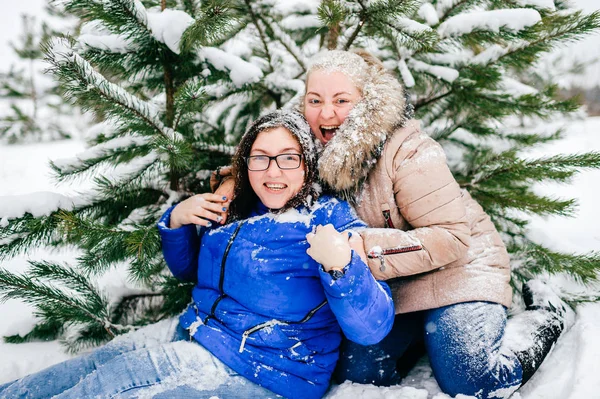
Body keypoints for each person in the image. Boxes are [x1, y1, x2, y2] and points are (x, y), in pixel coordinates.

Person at [214, 50, 573, 399]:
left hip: (458, 269)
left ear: (366, 102)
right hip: (393, 285)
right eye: (314, 100)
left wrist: (357, 248)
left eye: (341, 100)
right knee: (357, 373)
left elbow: (451, 237)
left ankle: (548, 315)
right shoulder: (308, 146)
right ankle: (425, 334)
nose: (326, 113)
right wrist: (235, 181)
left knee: (471, 378)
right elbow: (273, 164)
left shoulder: (409, 151)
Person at [0, 110, 395, 399]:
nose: (273, 172)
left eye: (288, 158)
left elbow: (371, 329)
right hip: (196, 331)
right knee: (94, 363)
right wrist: (177, 222)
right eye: (260, 158)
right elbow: (192, 272)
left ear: (307, 164)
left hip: (271, 370)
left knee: (115, 381)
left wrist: (341, 266)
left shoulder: (330, 220)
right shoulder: (238, 205)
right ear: (246, 163)